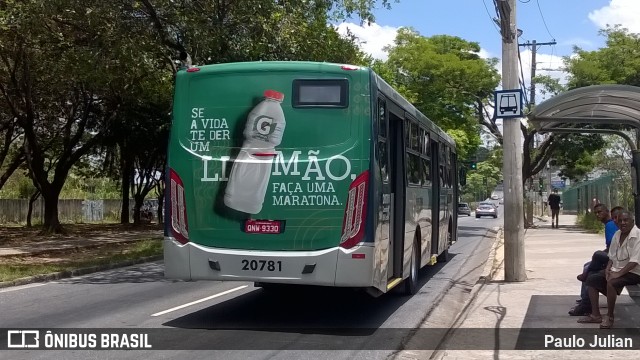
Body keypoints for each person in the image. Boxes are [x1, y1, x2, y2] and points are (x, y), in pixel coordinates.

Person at [578, 210, 640, 329]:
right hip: (617, 269)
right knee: (592, 279)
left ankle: (610, 316)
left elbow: (634, 261)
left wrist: (618, 274)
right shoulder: (617, 234)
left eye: (626, 220)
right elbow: (611, 256)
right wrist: (607, 269)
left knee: (612, 282)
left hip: (634, 271)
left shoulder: (638, 236)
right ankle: (595, 315)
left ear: (632, 221)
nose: (623, 223)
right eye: (620, 220)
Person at [568, 204, 620, 316]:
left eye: (600, 212)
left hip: (616, 258)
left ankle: (586, 304)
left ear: (607, 212)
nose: (598, 214)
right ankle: (585, 301)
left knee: (591, 266)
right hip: (614, 256)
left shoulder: (610, 225)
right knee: (588, 265)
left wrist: (603, 254)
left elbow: (612, 246)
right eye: (596, 212)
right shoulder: (610, 225)